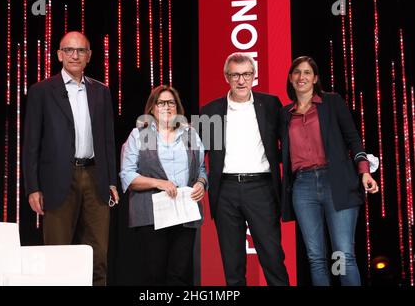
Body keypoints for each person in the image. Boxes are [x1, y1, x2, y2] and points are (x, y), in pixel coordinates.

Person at [22, 31, 119, 286]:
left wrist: (111, 181)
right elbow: (31, 144)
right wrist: (33, 187)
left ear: (89, 56)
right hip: (57, 180)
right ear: (59, 55)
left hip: (96, 177)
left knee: (98, 256)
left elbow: (108, 141)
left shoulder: (101, 92)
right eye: (69, 50)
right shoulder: (41, 91)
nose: (74, 55)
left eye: (80, 51)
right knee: (57, 255)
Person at [280, 56, 379, 286]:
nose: (301, 77)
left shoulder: (331, 103)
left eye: (307, 73)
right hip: (302, 187)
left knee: (342, 254)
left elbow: (353, 138)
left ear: (315, 79)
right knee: (316, 258)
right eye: (297, 72)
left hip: (336, 183)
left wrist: (364, 171)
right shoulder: (285, 114)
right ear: (290, 79)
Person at [199, 52, 289, 286]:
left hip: (261, 189)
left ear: (254, 77)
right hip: (225, 191)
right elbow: (199, 155)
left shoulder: (270, 104)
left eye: (246, 74)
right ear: (226, 77)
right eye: (236, 75)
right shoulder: (210, 111)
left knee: (272, 257)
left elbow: (289, 143)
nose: (241, 80)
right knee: (232, 264)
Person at [119, 85, 207, 285]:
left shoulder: (189, 134)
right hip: (152, 213)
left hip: (185, 213)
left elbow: (201, 169)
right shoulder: (139, 135)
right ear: (152, 108)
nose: (167, 107)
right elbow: (128, 175)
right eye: (161, 103)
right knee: (154, 274)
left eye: (171, 103)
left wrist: (201, 183)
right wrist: (158, 183)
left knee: (180, 274)